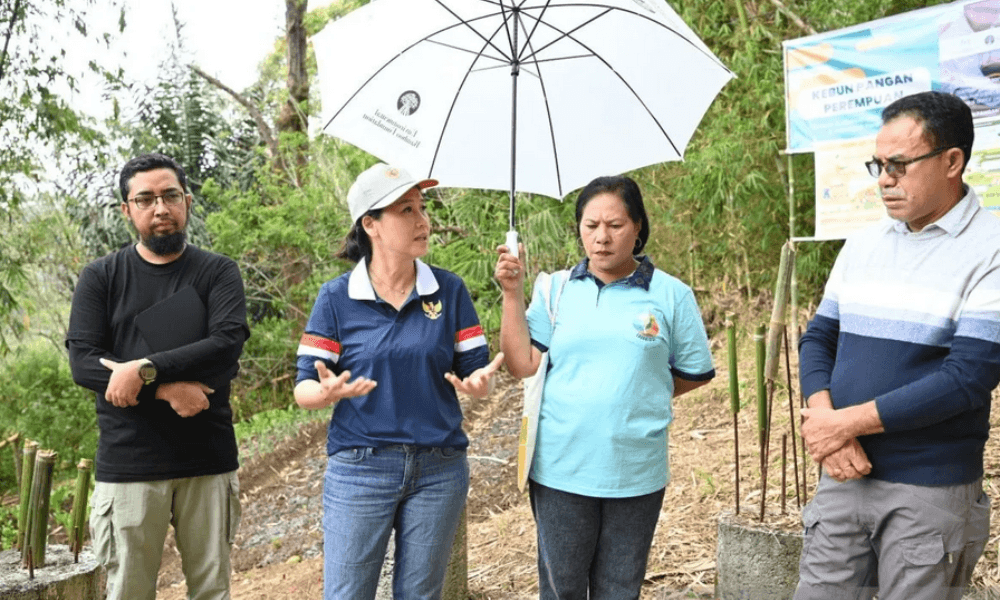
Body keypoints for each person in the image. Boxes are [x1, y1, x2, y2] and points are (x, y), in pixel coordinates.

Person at [796, 91, 1000, 600]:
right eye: (878, 165)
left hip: (928, 488)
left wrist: (844, 424)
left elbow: (967, 378)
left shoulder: (991, 248)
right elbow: (819, 337)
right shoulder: (864, 243)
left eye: (899, 165)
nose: (885, 179)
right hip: (844, 472)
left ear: (952, 161)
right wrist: (829, 425)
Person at [495, 175, 716, 600]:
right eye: (591, 225)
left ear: (638, 227)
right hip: (560, 469)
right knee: (561, 589)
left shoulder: (671, 294)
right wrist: (511, 293)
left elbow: (694, 372)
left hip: (635, 472)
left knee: (620, 588)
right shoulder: (555, 289)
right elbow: (521, 365)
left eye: (615, 225)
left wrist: (638, 391)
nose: (601, 238)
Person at [294, 162, 504, 600]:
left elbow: (476, 372)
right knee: (347, 594)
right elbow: (303, 389)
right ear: (370, 224)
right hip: (360, 468)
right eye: (406, 210)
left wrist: (481, 385)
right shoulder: (336, 298)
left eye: (422, 208)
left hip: (439, 469)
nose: (423, 220)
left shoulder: (449, 290)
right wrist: (326, 392)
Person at [66, 152, 250, 600]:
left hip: (207, 460)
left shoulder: (217, 272)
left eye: (170, 196)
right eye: (145, 199)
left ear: (187, 201)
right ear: (127, 210)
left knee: (212, 591)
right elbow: (85, 362)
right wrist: (165, 388)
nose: (160, 208)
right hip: (130, 464)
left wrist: (143, 369)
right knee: (128, 592)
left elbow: (226, 344)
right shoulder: (101, 277)